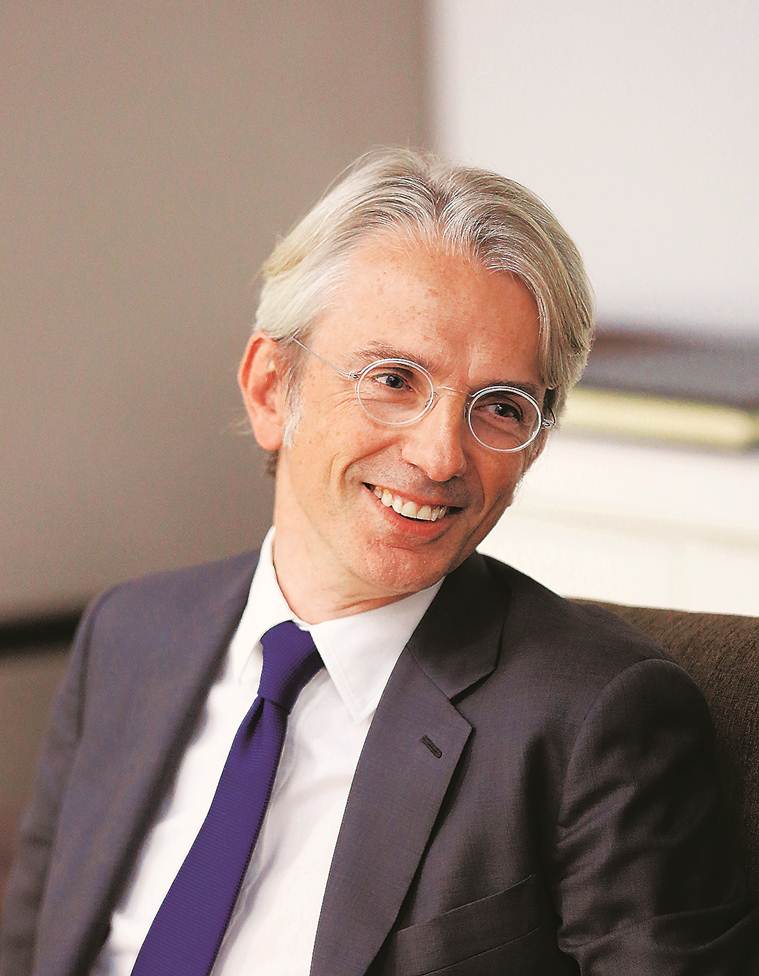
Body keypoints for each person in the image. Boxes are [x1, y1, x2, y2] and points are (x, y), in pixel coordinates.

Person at [1, 148, 755, 976]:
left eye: (500, 408)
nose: (439, 457)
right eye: (394, 379)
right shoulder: (127, 636)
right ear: (270, 388)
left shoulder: (593, 720)